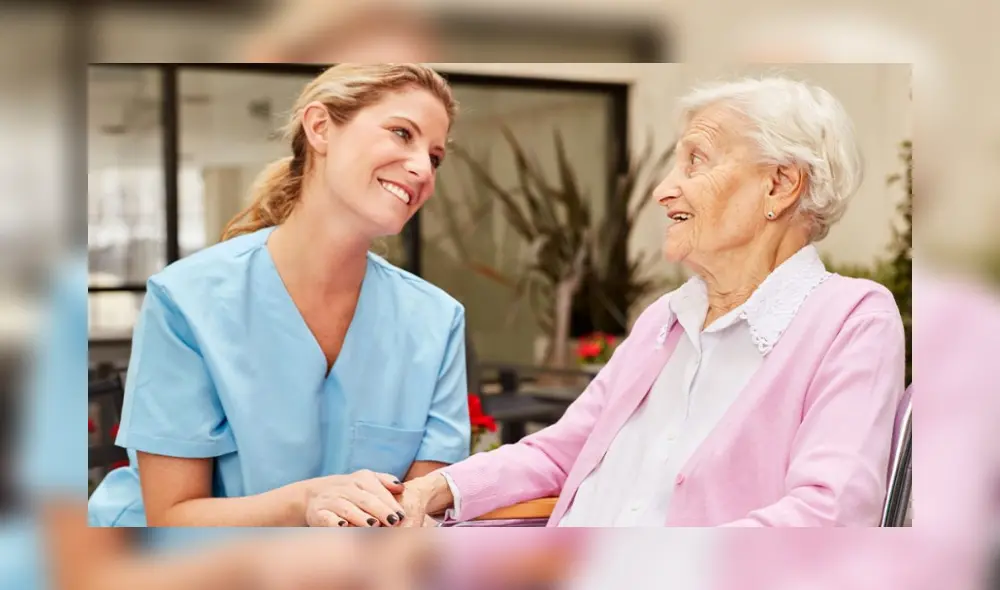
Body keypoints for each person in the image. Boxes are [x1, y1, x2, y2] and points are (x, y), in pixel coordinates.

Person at [399, 76, 906, 527]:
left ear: (780, 184)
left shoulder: (851, 319)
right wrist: (434, 489)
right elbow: (559, 453)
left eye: (695, 161)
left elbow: (828, 513)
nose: (664, 190)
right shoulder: (666, 318)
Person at [88, 63, 470, 528]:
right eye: (401, 133)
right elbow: (172, 516)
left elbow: (416, 508)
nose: (421, 168)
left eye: (435, 157)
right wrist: (305, 502)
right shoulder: (187, 300)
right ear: (320, 127)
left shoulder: (436, 320)